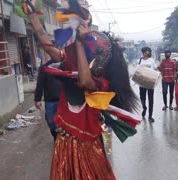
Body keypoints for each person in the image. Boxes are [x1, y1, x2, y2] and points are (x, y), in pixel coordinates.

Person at [24, 0, 140, 179]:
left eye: (92, 50)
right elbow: (50, 48)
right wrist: (33, 16)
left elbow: (85, 82)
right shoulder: (71, 64)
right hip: (64, 137)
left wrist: (79, 43)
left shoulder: (102, 83)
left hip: (87, 142)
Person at [34, 59, 63, 141]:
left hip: (65, 101)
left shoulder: (66, 66)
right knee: (51, 122)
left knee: (65, 123)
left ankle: (63, 142)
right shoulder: (45, 67)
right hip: (50, 101)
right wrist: (37, 99)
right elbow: (40, 84)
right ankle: (55, 137)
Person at [138, 47, 157, 122]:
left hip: (150, 82)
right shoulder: (139, 60)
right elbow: (138, 70)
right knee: (142, 98)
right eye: (147, 52)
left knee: (151, 99)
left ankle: (150, 116)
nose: (148, 53)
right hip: (142, 83)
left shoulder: (152, 60)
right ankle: (144, 108)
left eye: (149, 51)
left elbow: (155, 69)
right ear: (143, 52)